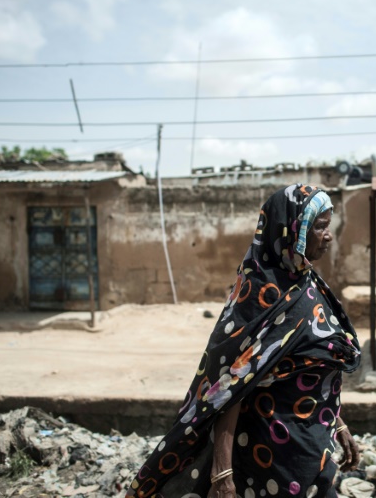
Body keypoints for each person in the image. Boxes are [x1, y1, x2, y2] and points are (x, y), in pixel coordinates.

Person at [127, 184, 362, 498]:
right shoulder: (260, 296)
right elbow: (231, 387)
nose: (328, 235)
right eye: (319, 227)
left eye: (327, 226)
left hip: (310, 446)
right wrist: (222, 472)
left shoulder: (306, 283)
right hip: (272, 451)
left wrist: (338, 424)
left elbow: (302, 368)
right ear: (291, 231)